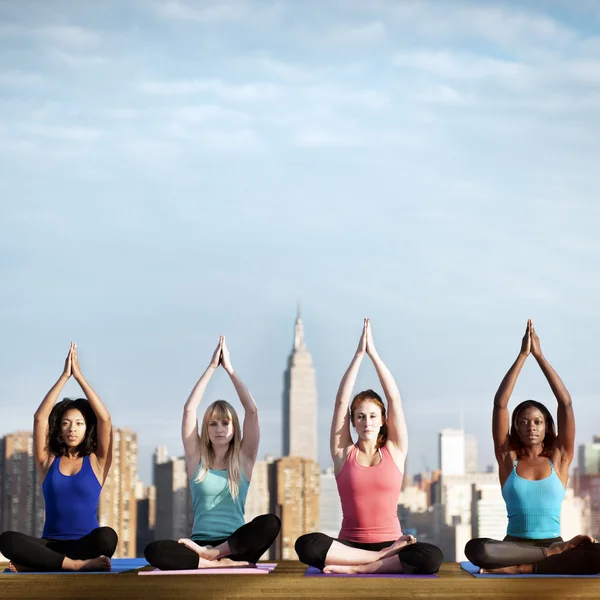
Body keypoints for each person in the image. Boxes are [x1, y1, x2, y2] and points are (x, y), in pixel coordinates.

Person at [295, 319, 443, 574]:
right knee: (306, 545)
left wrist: (373, 355)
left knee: (432, 556)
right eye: (360, 416)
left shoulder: (394, 451)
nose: (367, 422)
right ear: (352, 421)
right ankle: (377, 561)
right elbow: (341, 401)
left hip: (392, 542)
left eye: (373, 416)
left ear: (383, 419)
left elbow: (394, 399)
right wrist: (357, 356)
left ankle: (361, 568)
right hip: (350, 545)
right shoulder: (344, 454)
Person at [465, 319, 600, 574]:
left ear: (547, 426)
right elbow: (500, 405)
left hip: (556, 544)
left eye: (537, 421)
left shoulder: (560, 458)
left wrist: (539, 356)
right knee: (477, 549)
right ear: (515, 427)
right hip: (514, 548)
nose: (531, 427)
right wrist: (521, 356)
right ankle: (539, 560)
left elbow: (566, 404)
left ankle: (523, 568)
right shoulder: (508, 458)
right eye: (524, 422)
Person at [144, 336, 280, 570]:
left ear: (234, 428)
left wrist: (229, 369)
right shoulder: (197, 460)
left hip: (236, 546)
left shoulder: (244, 459)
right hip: (199, 546)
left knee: (270, 523)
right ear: (205, 430)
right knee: (153, 550)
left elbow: (252, 411)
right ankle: (210, 563)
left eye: (225, 423)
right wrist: (210, 368)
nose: (219, 429)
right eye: (213, 424)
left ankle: (217, 557)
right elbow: (189, 410)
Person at [0, 342, 117, 572]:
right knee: (7, 540)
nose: (72, 429)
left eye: (79, 423)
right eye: (66, 423)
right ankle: (71, 565)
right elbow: (39, 418)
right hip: (51, 545)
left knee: (107, 537)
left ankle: (38, 565)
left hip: (86, 543)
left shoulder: (97, 461)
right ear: (59, 430)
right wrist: (64, 376)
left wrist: (80, 377)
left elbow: (105, 419)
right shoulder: (48, 461)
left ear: (86, 429)